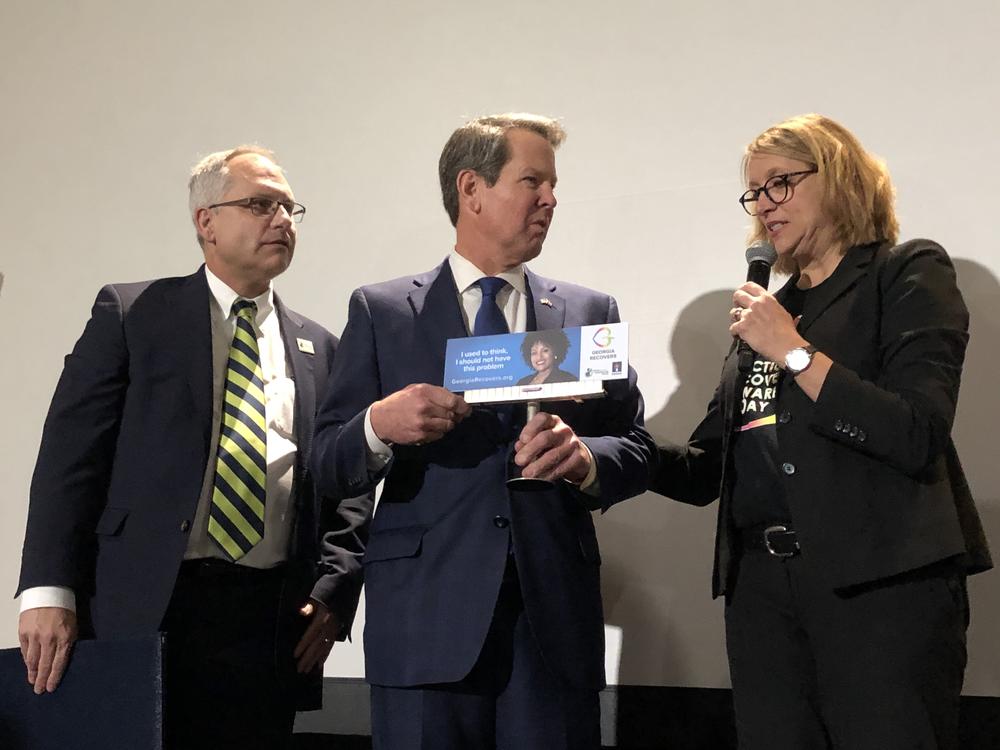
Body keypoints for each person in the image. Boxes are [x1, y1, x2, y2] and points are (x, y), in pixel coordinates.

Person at [311, 113, 654, 750]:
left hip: (550, 621)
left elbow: (636, 448)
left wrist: (583, 459)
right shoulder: (383, 311)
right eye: (532, 181)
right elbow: (329, 461)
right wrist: (380, 426)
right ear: (472, 189)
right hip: (425, 619)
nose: (550, 199)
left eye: (552, 185)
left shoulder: (586, 313)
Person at [650, 114, 992, 750]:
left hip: (880, 588)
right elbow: (708, 466)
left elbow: (916, 431)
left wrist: (794, 352)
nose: (764, 205)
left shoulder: (905, 272)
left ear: (839, 178)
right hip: (762, 595)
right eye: (755, 191)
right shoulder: (774, 314)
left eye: (781, 183)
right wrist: (595, 451)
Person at [15, 146, 371, 750]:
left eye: (290, 207)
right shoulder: (133, 314)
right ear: (206, 221)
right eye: (261, 204)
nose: (281, 219)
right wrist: (48, 591)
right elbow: (69, 461)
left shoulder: (322, 346)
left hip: (270, 616)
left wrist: (335, 589)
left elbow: (344, 483)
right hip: (148, 601)